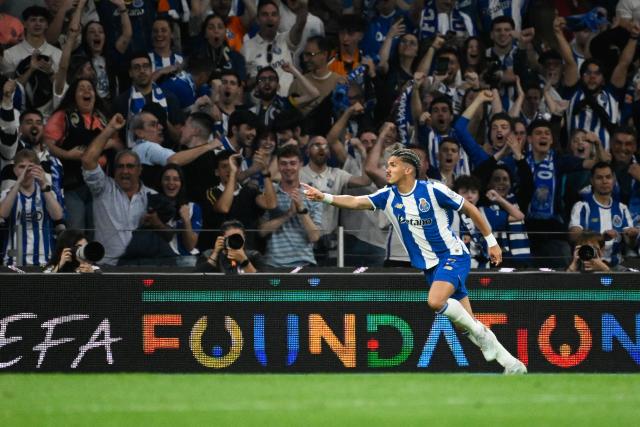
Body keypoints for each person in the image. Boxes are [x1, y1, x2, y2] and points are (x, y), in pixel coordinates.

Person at [303, 147, 527, 374]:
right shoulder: (387, 196)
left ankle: (482, 334)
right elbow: (355, 201)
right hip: (430, 267)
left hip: (453, 255)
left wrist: (492, 242)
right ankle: (512, 364)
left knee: (436, 302)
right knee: (467, 323)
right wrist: (325, 197)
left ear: (408, 169)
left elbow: (469, 208)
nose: (386, 169)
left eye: (392, 165)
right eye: (387, 165)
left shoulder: (433, 190)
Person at [0, 149, 64, 266]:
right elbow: (2, 214)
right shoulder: (7, 194)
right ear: (14, 170)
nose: (26, 171)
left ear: (38, 169)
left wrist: (44, 184)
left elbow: (58, 216)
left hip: (43, 260)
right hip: (13, 262)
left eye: (30, 167)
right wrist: (18, 182)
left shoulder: (47, 192)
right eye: (22, 167)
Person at [569, 162, 638, 269]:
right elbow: (573, 236)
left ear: (614, 180)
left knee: (632, 280)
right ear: (592, 181)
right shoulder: (582, 207)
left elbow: (630, 244)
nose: (604, 181)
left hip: (616, 266)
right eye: (599, 178)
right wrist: (601, 238)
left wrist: (632, 236)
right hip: (588, 264)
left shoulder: (622, 208)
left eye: (608, 177)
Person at [195, 219, 262, 273]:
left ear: (244, 239)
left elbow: (264, 283)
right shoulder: (208, 254)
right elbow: (194, 280)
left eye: (238, 237)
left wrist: (244, 261)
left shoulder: (254, 256)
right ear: (222, 239)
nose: (234, 241)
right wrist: (215, 253)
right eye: (230, 238)